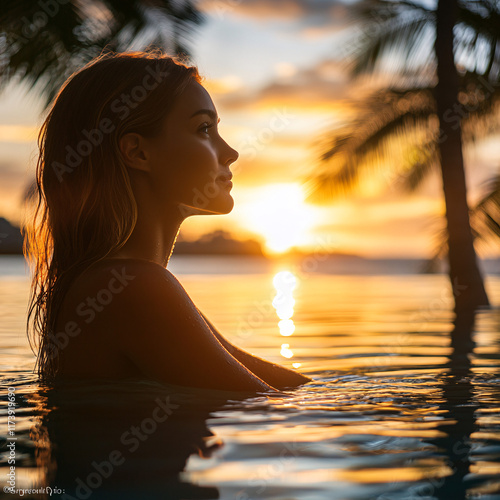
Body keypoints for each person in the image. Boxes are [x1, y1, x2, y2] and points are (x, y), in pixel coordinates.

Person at [25, 50, 311, 393]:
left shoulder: (122, 283)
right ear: (138, 152)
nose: (230, 152)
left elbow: (289, 389)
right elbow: (266, 404)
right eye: (204, 128)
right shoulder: (132, 287)